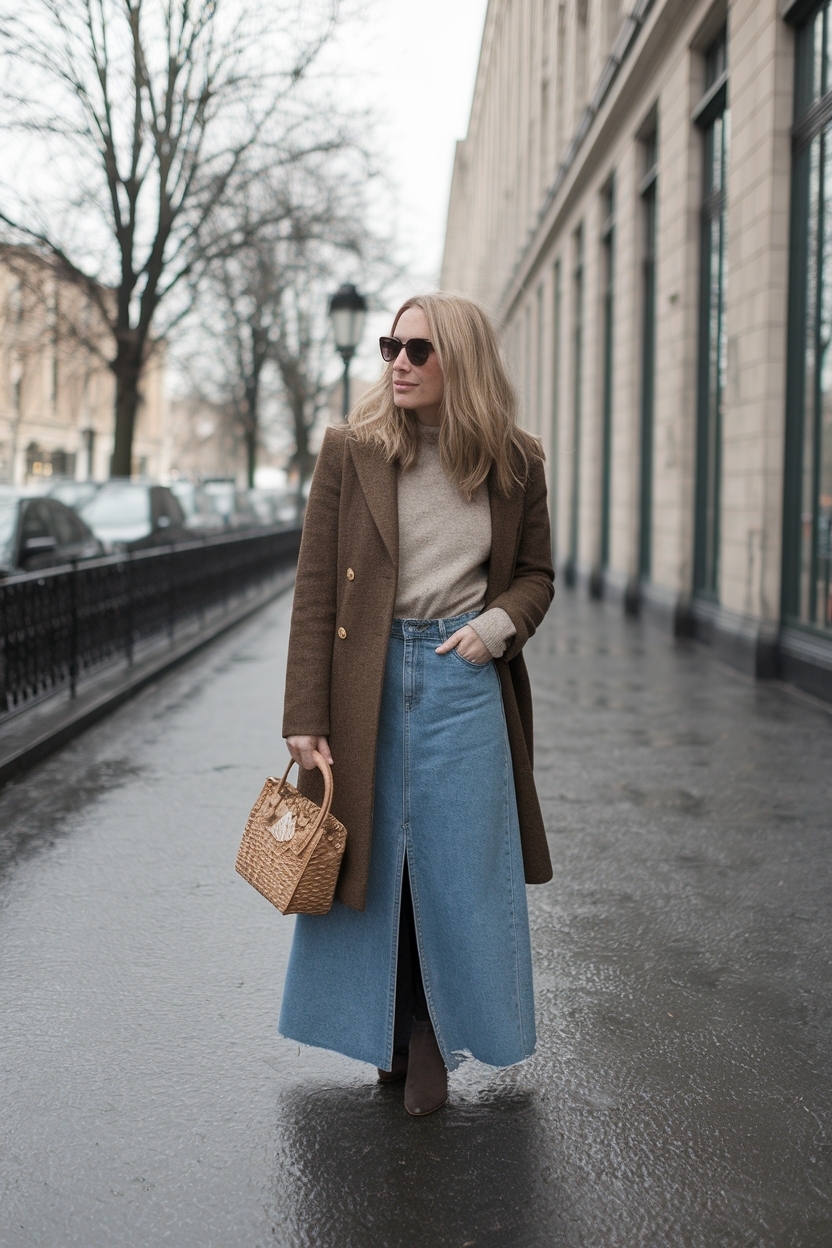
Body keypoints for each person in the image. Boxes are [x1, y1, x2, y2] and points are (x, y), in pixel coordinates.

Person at [279, 291, 554, 1117]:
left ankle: (432, 1037)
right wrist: (304, 714)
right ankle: (391, 1034)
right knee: (370, 867)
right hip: (366, 681)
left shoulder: (516, 462)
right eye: (390, 346)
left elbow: (536, 576)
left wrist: (498, 625)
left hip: (462, 675)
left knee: (459, 871)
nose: (398, 362)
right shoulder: (351, 451)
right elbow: (316, 586)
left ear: (459, 362)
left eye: (418, 350)